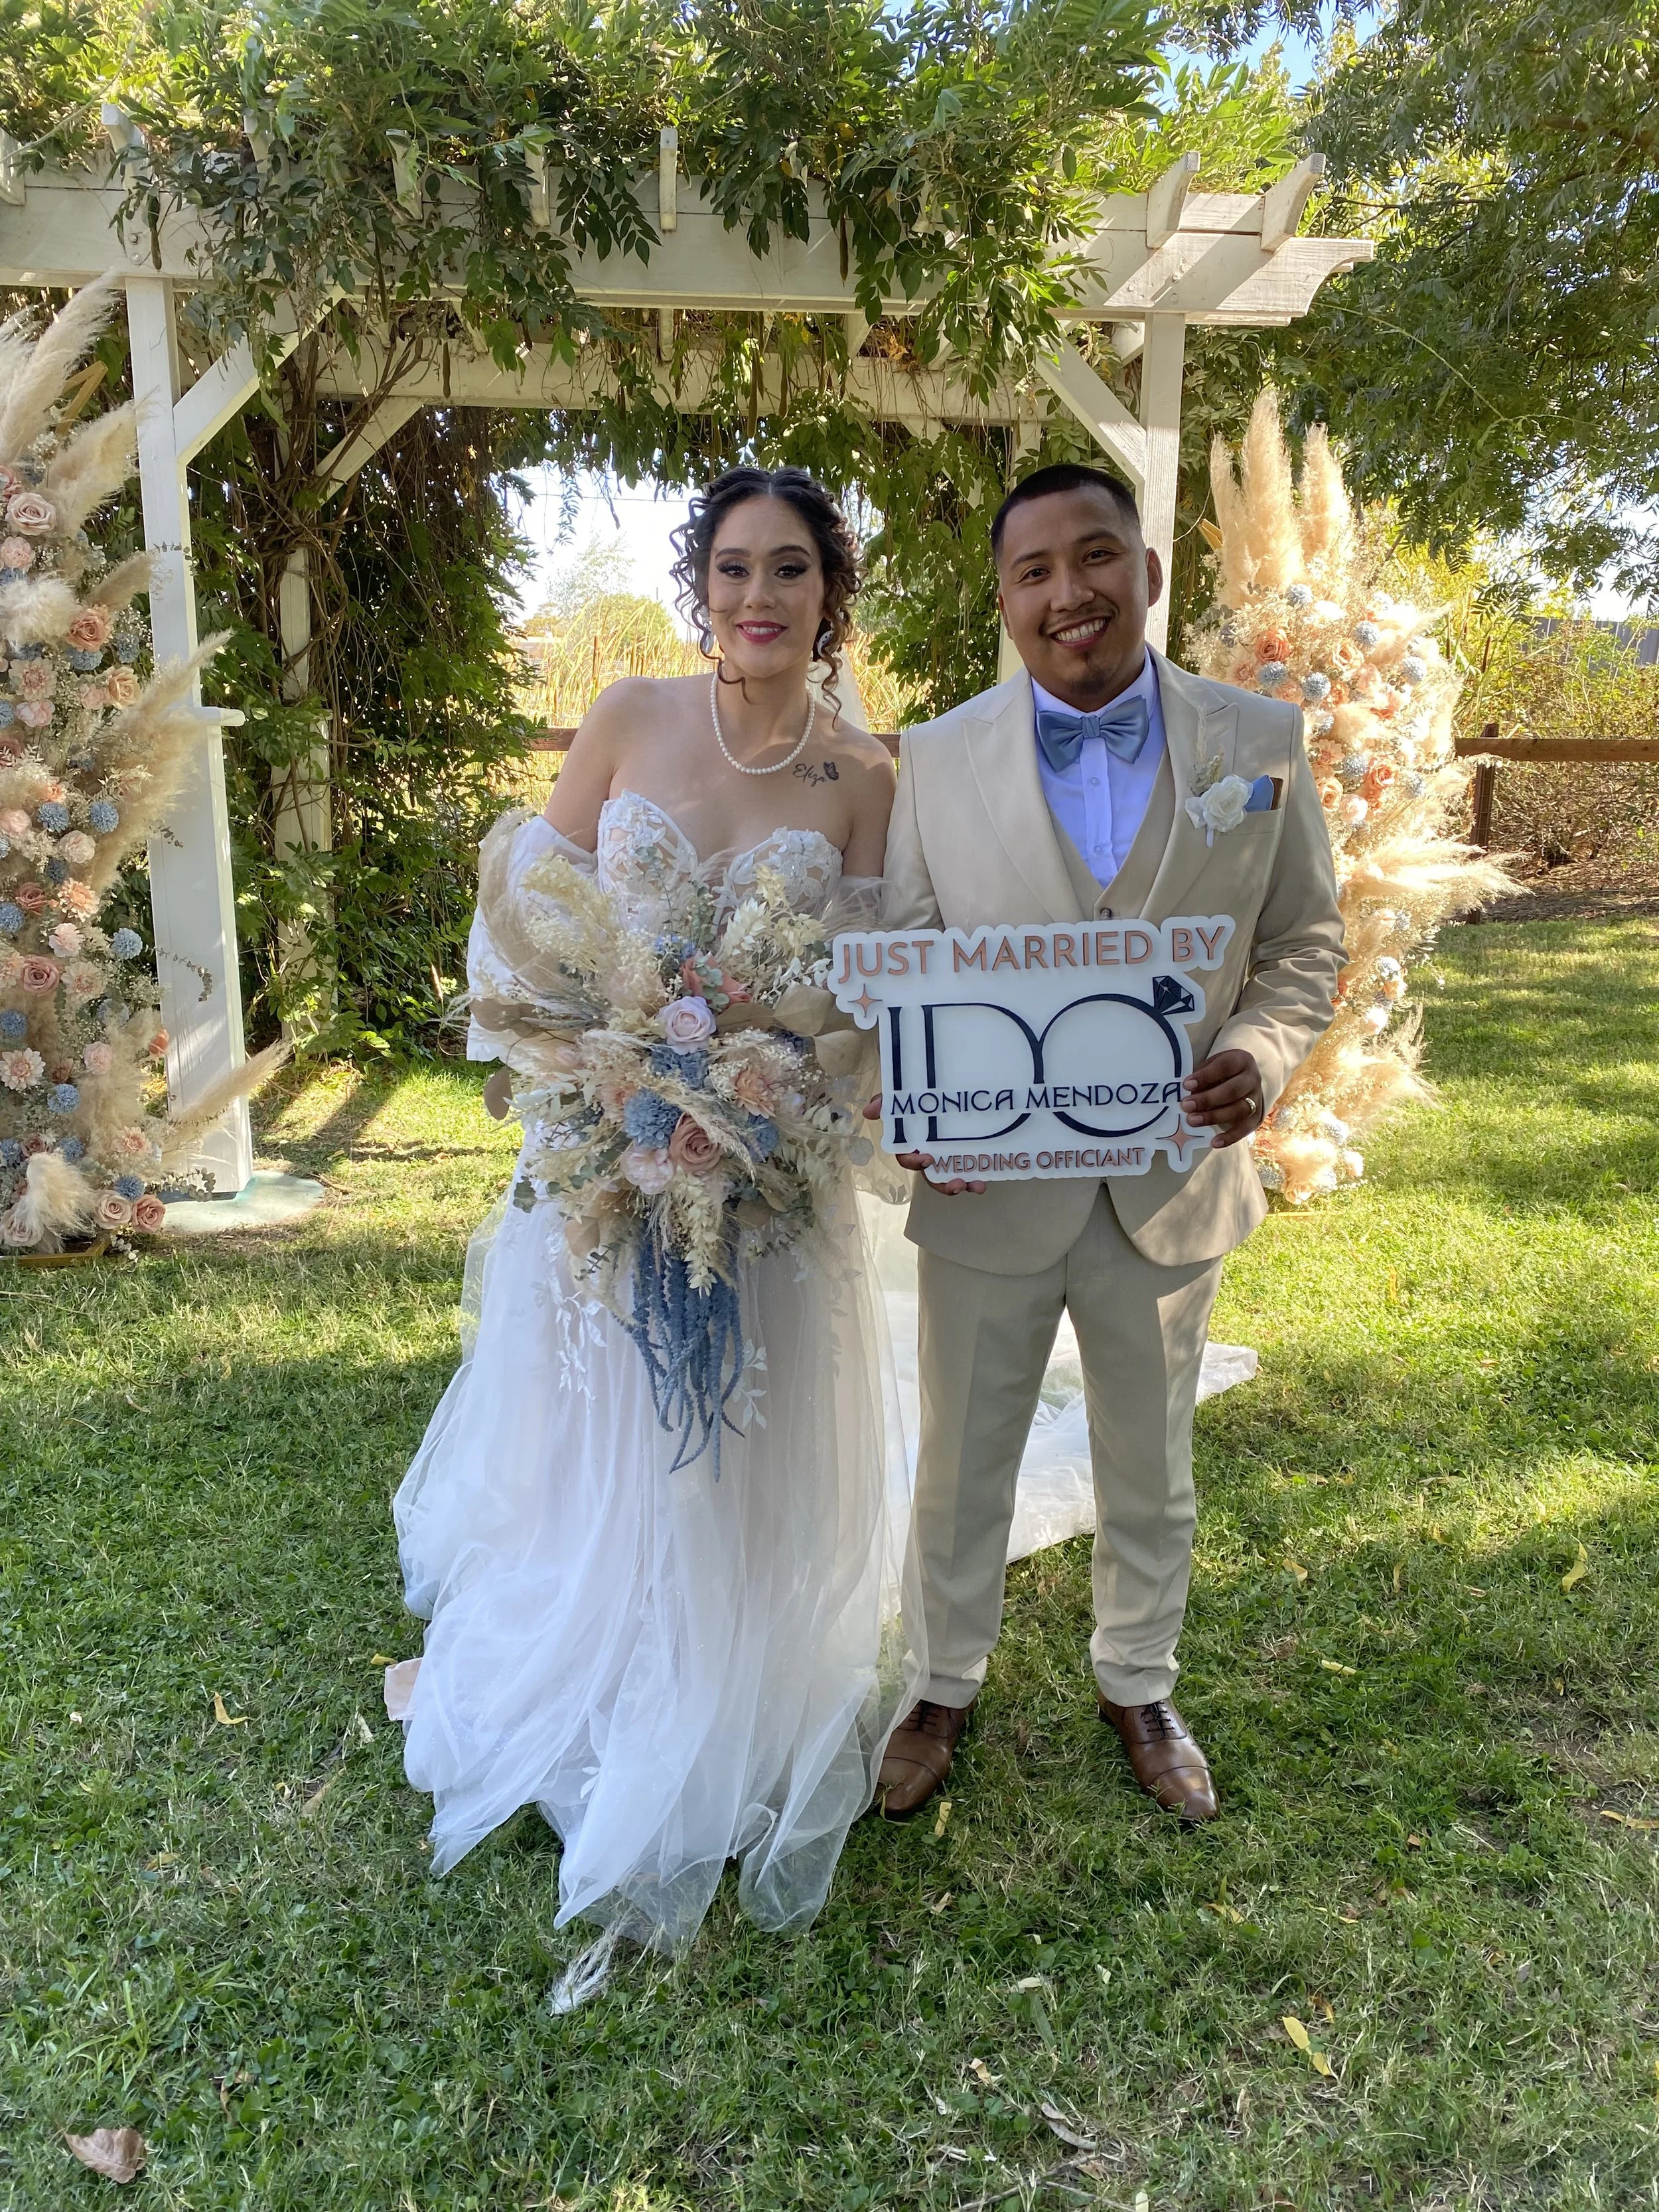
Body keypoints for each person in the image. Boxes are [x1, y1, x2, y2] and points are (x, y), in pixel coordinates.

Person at [390, 467, 921, 1970]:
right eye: (734, 567)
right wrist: (582, 1064)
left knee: (734, 1446)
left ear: (830, 595)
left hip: (762, 1178)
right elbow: (529, 908)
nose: (757, 597)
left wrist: (769, 1095)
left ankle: (727, 1674)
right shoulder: (626, 715)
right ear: (704, 585)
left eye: (791, 571)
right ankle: (601, 1650)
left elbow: (863, 1000)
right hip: (604, 1154)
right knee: (604, 1430)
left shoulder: (864, 778)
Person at [875, 461, 1344, 1822]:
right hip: (986, 1184)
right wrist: (920, 1097)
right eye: (1032, 571)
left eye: (1094, 558)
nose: (1066, 593)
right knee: (959, 1452)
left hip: (1169, 1179)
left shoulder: (1255, 743)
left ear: (1146, 571)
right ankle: (940, 1681)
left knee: (1150, 1453)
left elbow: (1304, 939)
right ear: (1005, 601)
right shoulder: (935, 754)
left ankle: (1138, 1679)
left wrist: (1257, 1056)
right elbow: (907, 948)